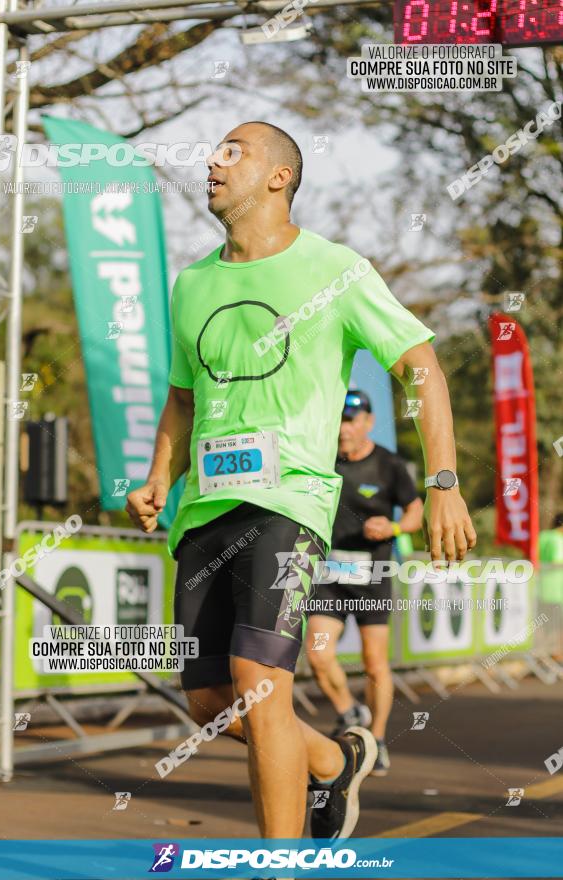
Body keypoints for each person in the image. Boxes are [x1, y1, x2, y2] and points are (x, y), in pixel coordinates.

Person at [125, 121, 476, 842]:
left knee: (259, 686)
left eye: (234, 152)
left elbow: (420, 366)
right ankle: (334, 760)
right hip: (202, 512)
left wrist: (441, 481)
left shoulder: (335, 269)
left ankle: (278, 861)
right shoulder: (192, 282)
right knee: (210, 702)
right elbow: (183, 396)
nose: (212, 163)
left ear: (279, 178)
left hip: (290, 501)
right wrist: (161, 472)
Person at [305, 389, 423, 776]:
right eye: (339, 419)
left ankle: (378, 737)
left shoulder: (388, 465)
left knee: (374, 663)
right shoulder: (322, 460)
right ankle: (347, 711)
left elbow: (415, 513)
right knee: (319, 654)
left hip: (372, 576)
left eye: (352, 420)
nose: (344, 428)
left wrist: (391, 526)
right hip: (329, 577)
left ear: (368, 423)